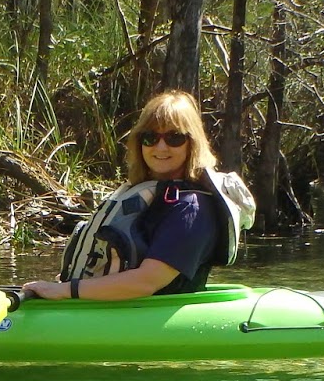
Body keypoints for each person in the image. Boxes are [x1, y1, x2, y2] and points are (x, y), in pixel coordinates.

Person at [22, 90, 254, 301]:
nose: (160, 147)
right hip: (103, 307)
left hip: (150, 315)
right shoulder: (147, 196)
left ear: (191, 144)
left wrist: (65, 291)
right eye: (150, 138)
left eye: (174, 138)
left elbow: (146, 282)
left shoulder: (191, 208)